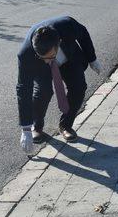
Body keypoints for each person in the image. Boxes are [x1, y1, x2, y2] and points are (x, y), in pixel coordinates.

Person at [17, 17, 102, 153]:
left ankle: (66, 125)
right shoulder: (26, 55)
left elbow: (83, 33)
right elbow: (23, 89)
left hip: (68, 57)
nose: (48, 61)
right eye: (43, 57)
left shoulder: (67, 25)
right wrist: (25, 128)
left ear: (59, 42)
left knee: (79, 87)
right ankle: (37, 126)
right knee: (43, 92)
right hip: (38, 66)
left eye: (50, 57)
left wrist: (92, 58)